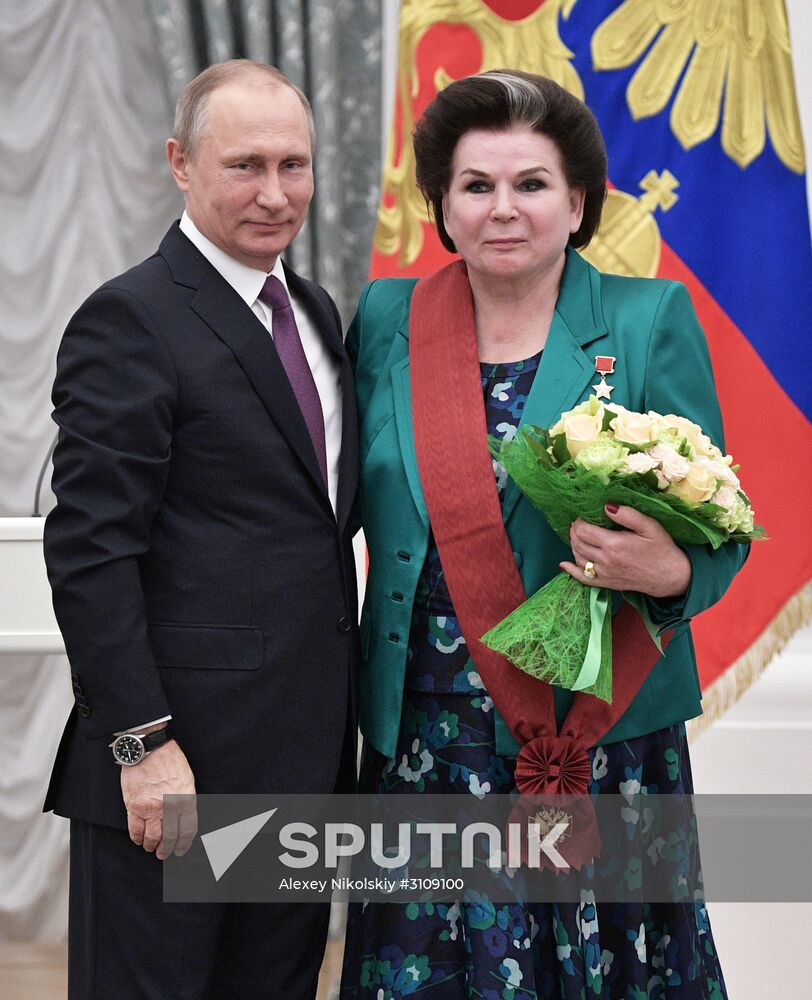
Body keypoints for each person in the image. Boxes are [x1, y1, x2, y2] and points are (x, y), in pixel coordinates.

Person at [339, 70, 746, 998]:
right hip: (430, 736)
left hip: (597, 736)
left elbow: (725, 524)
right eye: (475, 186)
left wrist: (674, 567)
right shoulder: (386, 320)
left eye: (530, 184)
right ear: (442, 204)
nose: (502, 209)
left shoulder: (647, 322)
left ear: (577, 202)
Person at [43, 59, 359, 1000]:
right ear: (181, 164)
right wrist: (143, 747)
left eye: (294, 166)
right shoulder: (129, 318)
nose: (275, 194)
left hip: (298, 770)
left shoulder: (315, 311)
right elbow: (92, 550)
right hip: (178, 778)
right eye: (244, 166)